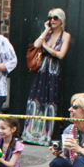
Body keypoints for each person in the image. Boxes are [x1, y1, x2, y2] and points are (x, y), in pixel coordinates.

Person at [21, 9, 71, 145]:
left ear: (61, 20)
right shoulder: (47, 34)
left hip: (54, 71)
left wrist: (46, 47)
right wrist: (46, 30)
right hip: (41, 70)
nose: (52, 20)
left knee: (50, 102)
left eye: (55, 17)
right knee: (35, 99)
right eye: (50, 18)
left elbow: (61, 55)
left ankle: (45, 137)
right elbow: (36, 45)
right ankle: (30, 135)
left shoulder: (65, 35)